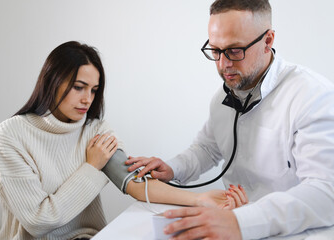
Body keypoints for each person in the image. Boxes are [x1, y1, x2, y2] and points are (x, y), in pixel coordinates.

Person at [0, 41, 247, 240]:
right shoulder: (11, 135)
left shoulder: (95, 130)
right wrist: (91, 167)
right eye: (78, 87)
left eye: (94, 90)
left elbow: (135, 184)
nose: (87, 100)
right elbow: (38, 220)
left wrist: (199, 200)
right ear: (52, 81)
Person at [126, 0, 334, 239]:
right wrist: (173, 168)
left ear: (268, 41)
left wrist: (241, 222)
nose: (223, 64)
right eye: (215, 51)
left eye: (234, 50)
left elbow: (327, 192)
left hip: (291, 232)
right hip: (232, 224)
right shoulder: (224, 96)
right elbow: (206, 148)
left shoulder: (313, 96)